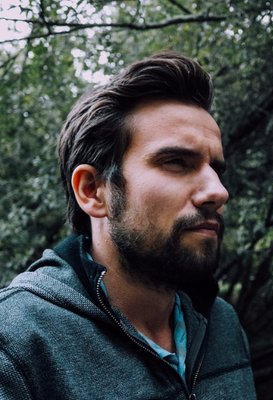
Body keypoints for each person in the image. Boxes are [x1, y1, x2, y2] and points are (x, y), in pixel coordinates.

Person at [0, 52, 256, 399]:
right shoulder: (16, 345)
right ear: (93, 191)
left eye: (217, 169)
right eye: (176, 162)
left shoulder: (220, 323)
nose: (218, 191)